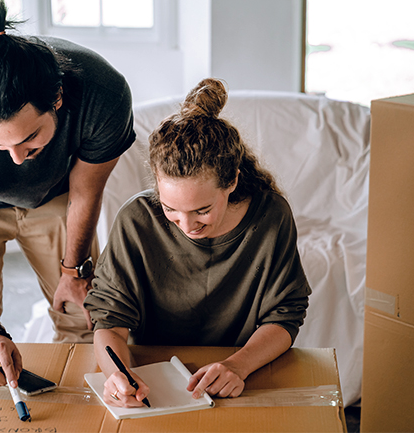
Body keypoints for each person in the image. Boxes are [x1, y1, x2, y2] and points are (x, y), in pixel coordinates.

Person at [0, 0, 135, 388]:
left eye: (30, 138)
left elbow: (85, 194)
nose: (17, 159)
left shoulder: (105, 95)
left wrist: (73, 270)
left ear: (57, 99)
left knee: (82, 316)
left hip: (55, 194)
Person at [83, 78, 311, 408]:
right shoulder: (136, 220)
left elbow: (285, 316)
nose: (188, 226)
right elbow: (110, 322)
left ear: (231, 179)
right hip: (152, 379)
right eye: (170, 209)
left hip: (238, 376)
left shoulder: (270, 216)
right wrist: (116, 375)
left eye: (202, 210)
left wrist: (238, 365)